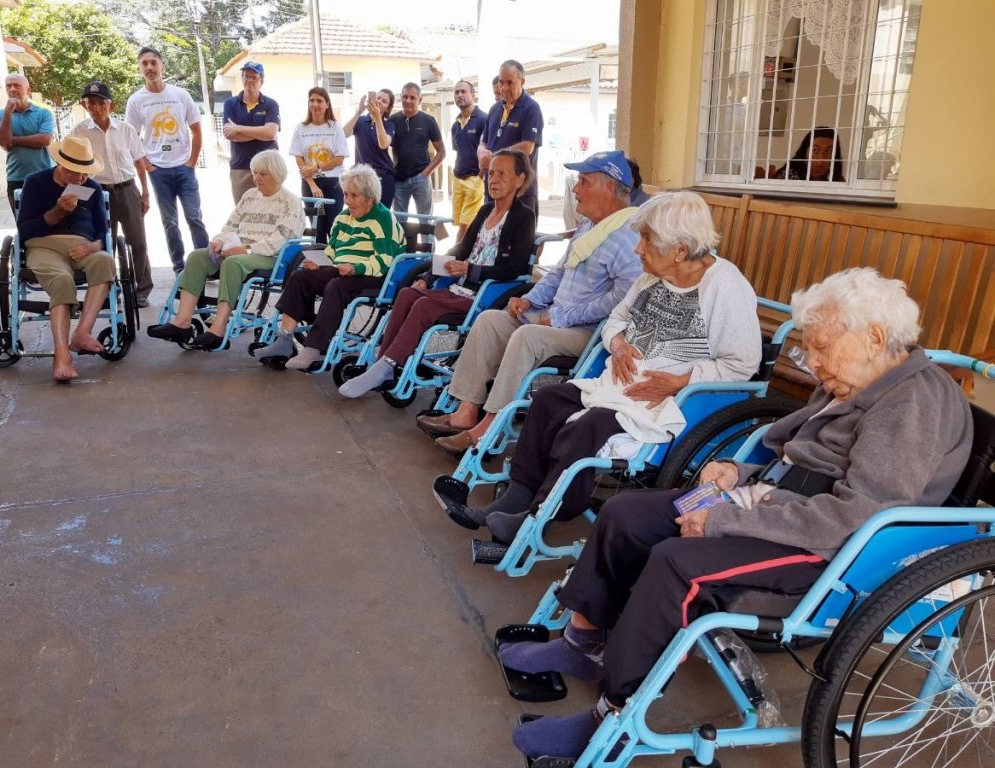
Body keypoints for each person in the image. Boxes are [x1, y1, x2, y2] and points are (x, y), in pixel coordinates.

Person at [499, 268, 973, 761]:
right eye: (808, 349)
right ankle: (582, 642)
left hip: (828, 546)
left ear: (874, 337)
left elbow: (857, 514)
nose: (811, 363)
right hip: (771, 502)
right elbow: (790, 455)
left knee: (677, 565)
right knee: (625, 514)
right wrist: (737, 472)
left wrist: (723, 520)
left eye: (821, 347)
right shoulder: (853, 380)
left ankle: (615, 717)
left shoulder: (911, 403)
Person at [439, 190, 762, 544]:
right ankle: (518, 495)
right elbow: (615, 321)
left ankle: (539, 516)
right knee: (547, 401)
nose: (638, 249)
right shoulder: (651, 278)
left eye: (647, 239)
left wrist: (680, 382)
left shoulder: (724, 287)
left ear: (681, 250)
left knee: (589, 426)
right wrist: (619, 344)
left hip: (666, 403)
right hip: (616, 386)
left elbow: (742, 364)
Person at [417, 150, 643, 456]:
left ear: (609, 187)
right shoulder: (590, 227)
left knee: (526, 337)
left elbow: (621, 301)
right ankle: (466, 411)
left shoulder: (628, 236)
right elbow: (558, 273)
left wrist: (562, 317)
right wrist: (529, 298)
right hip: (555, 315)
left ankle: (488, 429)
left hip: (588, 332)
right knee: (490, 320)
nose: (576, 189)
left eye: (584, 182)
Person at [338, 149, 536, 399]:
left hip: (483, 296)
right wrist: (428, 277)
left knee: (423, 306)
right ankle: (383, 362)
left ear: (519, 179)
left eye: (502, 174)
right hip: (459, 287)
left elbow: (515, 268)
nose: (493, 179)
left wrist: (470, 269)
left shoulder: (524, 216)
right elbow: (460, 249)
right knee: (408, 294)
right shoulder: (485, 211)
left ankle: (386, 365)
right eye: (491, 173)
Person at [252, 164, 407, 370]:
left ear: (371, 198)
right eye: (346, 194)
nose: (348, 201)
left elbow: (385, 260)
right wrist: (320, 262)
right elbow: (333, 250)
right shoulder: (343, 217)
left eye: (354, 195)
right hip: (342, 270)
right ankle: (284, 340)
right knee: (301, 277)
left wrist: (356, 268)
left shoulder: (383, 218)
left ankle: (314, 348)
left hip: (375, 274)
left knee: (336, 286)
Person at [146, 150, 304, 351]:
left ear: (276, 173)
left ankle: (218, 329)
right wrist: (219, 241)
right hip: (240, 252)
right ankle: (182, 322)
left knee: (232, 262)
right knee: (197, 257)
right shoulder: (250, 196)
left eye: (262, 174)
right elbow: (230, 226)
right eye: (254, 173)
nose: (256, 178)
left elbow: (280, 240)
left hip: (271, 256)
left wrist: (244, 250)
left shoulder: (290, 202)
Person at [16, 136, 116, 383]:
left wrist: (94, 246)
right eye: (75, 172)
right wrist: (57, 212)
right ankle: (61, 355)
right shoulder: (35, 183)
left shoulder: (93, 188)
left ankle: (82, 333)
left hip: (84, 248)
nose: (81, 178)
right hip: (44, 246)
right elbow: (25, 231)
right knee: (62, 280)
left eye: (85, 172)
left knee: (105, 260)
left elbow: (104, 232)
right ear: (61, 164)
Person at [126, 46, 208, 273]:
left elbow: (197, 130)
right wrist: (148, 165)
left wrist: (191, 162)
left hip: (184, 168)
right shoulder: (136, 100)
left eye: (153, 62)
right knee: (170, 222)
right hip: (158, 171)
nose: (149, 67)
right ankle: (179, 267)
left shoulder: (180, 95)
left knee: (194, 217)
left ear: (162, 66)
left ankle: (206, 265)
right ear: (140, 68)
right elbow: (131, 137)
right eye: (144, 64)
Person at [71, 81, 154, 307]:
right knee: (104, 242)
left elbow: (139, 162)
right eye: (91, 103)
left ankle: (141, 290)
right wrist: (77, 194)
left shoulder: (125, 130)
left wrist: (145, 194)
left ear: (111, 105)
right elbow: (72, 165)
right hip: (96, 192)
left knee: (137, 241)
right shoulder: (79, 131)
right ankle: (109, 289)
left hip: (127, 189)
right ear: (85, 105)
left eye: (101, 103)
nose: (96, 108)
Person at [478, 60, 544, 216]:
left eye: (510, 82)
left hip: (520, 192)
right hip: (493, 190)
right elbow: (483, 142)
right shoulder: (494, 109)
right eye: (501, 82)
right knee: (488, 230)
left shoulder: (531, 108)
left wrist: (494, 158)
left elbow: (527, 147)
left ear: (522, 81)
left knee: (518, 232)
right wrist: (482, 154)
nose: (504, 88)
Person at [289, 87, 348, 243]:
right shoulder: (300, 128)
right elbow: (299, 160)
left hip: (333, 183)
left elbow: (339, 159)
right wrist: (312, 185)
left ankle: (335, 257)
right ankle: (318, 258)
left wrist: (317, 167)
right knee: (317, 230)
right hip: (310, 184)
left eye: (319, 101)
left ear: (327, 104)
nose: (315, 104)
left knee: (333, 228)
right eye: (312, 100)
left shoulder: (335, 127)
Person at [0, 73, 54, 214]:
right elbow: (3, 141)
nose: (12, 89)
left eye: (17, 85)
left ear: (28, 90)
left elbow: (45, 140)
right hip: (17, 178)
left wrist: (13, 140)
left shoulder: (43, 113)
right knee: (22, 220)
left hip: (45, 175)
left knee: (49, 218)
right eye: (9, 86)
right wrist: (8, 113)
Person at [221, 61, 281, 203]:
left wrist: (238, 128)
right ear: (242, 78)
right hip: (241, 168)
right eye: (246, 76)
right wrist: (261, 132)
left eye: (254, 77)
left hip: (269, 168)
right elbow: (230, 134)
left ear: (261, 80)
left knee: (271, 210)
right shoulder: (230, 104)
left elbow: (270, 133)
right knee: (243, 211)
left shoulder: (271, 104)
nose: (249, 80)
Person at [389, 83, 445, 215]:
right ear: (401, 98)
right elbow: (383, 146)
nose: (408, 101)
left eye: (412, 97)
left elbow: (441, 152)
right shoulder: (392, 121)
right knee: (399, 219)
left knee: (425, 219)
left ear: (420, 99)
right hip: (399, 179)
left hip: (421, 178)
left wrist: (427, 172)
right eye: (405, 97)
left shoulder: (428, 121)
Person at [344, 89, 397, 207]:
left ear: (388, 109)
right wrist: (358, 112)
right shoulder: (360, 121)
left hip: (383, 177)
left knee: (381, 213)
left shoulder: (389, 125)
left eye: (384, 101)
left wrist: (377, 118)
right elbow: (344, 134)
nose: (379, 101)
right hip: (362, 177)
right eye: (378, 98)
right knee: (361, 212)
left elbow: (383, 144)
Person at [450, 80, 488, 242]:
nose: (459, 95)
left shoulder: (484, 119)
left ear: (473, 95)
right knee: (460, 223)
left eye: (463, 91)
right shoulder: (455, 125)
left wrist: (480, 177)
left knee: (467, 226)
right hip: (458, 179)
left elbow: (488, 151)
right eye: (456, 92)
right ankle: (462, 253)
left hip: (475, 178)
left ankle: (456, 253)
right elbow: (459, 151)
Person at [772, 126, 845, 182]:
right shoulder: (789, 175)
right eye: (815, 150)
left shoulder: (834, 177)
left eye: (829, 151)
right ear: (805, 151)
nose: (821, 158)